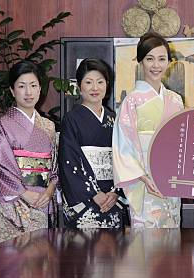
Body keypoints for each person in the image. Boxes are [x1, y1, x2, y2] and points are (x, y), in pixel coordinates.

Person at [113, 32, 184, 228]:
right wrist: (144, 178)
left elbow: (184, 142)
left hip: (171, 178)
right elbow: (123, 146)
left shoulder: (176, 100)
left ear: (170, 62)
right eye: (149, 59)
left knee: (171, 235)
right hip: (144, 181)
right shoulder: (132, 100)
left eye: (162, 59)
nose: (156, 65)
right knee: (146, 241)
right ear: (141, 62)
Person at [0, 61, 58, 243]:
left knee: (39, 263)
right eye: (22, 86)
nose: (28, 92)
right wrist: (23, 193)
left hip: (42, 199)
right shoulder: (2, 125)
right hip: (15, 201)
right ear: (12, 90)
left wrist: (49, 192)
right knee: (13, 262)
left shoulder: (48, 126)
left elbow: (55, 168)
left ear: (40, 89)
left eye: (33, 86)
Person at [59, 58, 126, 228]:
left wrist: (116, 192)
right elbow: (69, 161)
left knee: (113, 251)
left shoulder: (114, 119)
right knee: (83, 251)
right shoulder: (71, 119)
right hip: (85, 199)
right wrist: (93, 194)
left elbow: (123, 157)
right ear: (79, 86)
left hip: (111, 198)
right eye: (88, 82)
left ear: (107, 85)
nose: (95, 88)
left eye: (100, 82)